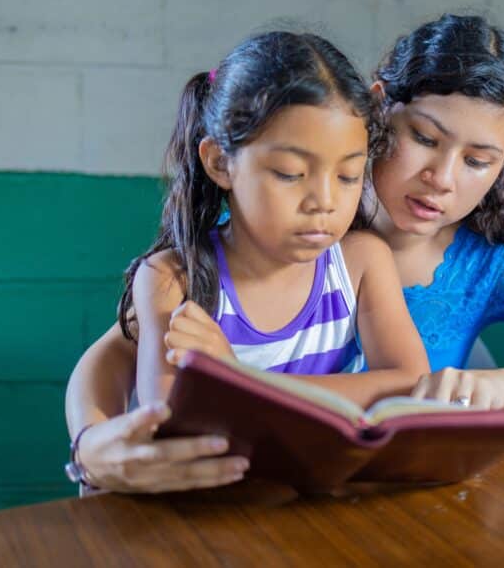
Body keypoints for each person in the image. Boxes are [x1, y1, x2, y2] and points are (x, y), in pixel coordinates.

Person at [65, 15, 504, 493]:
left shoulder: (494, 257)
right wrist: (91, 444)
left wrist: (498, 387)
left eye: (477, 161)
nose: (442, 179)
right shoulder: (291, 218)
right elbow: (124, 350)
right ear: (378, 109)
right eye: (422, 137)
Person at [65, 32, 429, 491]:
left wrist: (237, 379)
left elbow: (410, 384)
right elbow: (175, 427)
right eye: (290, 174)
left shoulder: (360, 262)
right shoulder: (173, 281)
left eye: (348, 174)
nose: (324, 200)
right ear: (220, 162)